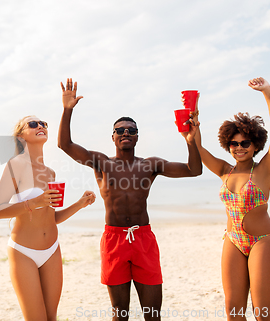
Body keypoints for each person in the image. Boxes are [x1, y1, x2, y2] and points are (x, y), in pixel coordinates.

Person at [57, 78, 202, 321]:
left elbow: (193, 170)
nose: (126, 132)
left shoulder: (150, 164)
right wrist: (67, 109)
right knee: (119, 314)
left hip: (143, 238)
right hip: (114, 240)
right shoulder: (102, 163)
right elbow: (65, 144)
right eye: (120, 130)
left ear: (137, 137)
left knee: (152, 315)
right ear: (112, 137)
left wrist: (190, 142)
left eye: (131, 130)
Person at [193, 77, 270, 321]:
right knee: (233, 313)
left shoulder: (264, 170)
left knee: (262, 313)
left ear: (255, 145)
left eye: (245, 143)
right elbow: (198, 148)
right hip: (232, 241)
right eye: (233, 143)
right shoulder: (225, 170)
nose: (239, 147)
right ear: (227, 144)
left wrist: (268, 93)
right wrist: (194, 121)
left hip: (263, 242)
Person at [0, 115, 96, 321]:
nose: (40, 126)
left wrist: (79, 204)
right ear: (21, 136)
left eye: (43, 124)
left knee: (51, 317)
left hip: (52, 250)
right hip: (23, 252)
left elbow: (51, 219)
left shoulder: (50, 173)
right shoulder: (16, 165)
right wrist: (34, 202)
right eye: (33, 124)